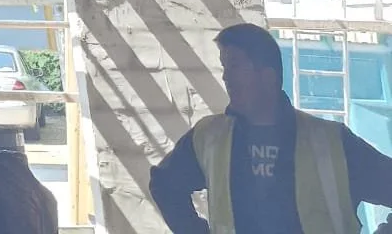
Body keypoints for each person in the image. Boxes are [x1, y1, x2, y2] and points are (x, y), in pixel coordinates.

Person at [150, 24, 392, 234]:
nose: (226, 77)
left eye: (235, 66)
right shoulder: (209, 137)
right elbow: (164, 184)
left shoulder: (331, 142)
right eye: (224, 67)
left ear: (268, 76)